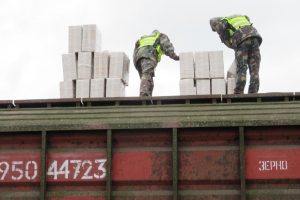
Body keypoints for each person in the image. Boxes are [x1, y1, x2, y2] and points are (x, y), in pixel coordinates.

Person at [210, 15, 262, 94]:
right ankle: (253, 92)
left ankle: (239, 91)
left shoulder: (220, 23)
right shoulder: (238, 17)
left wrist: (236, 49)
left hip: (241, 39)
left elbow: (226, 40)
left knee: (242, 66)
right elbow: (247, 19)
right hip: (255, 37)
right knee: (254, 67)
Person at [133, 30, 179, 97]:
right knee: (147, 74)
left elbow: (135, 50)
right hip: (148, 55)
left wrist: (136, 64)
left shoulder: (143, 38)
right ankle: (144, 95)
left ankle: (148, 96)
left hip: (138, 59)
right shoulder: (160, 36)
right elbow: (167, 46)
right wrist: (175, 57)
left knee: (148, 77)